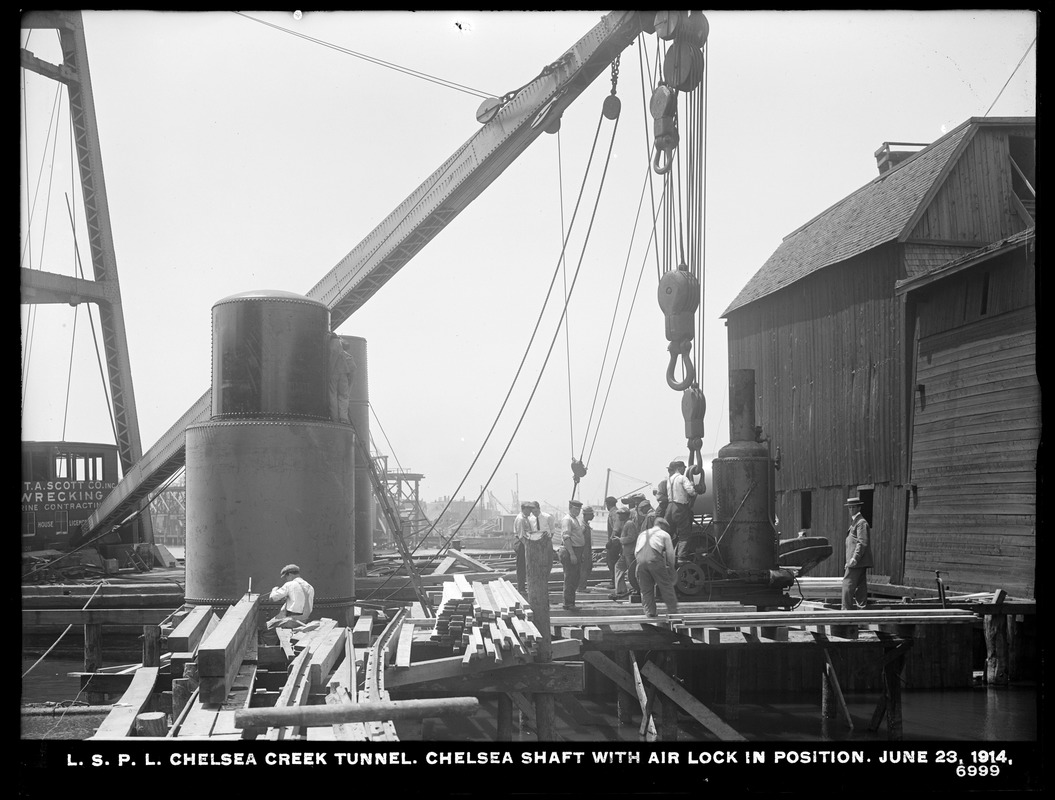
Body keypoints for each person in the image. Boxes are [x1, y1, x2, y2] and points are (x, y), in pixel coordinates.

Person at [635, 517, 679, 618]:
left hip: (640, 561)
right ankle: (673, 611)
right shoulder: (664, 534)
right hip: (654, 560)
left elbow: (635, 552)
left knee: (646, 589)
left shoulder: (642, 534)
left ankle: (650, 612)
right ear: (663, 526)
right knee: (666, 586)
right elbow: (670, 554)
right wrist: (672, 568)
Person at [842, 496, 873, 610]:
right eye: (849, 507)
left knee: (847, 584)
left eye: (853, 507)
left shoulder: (861, 523)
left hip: (857, 561)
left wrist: (854, 558)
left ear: (859, 507)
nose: (851, 509)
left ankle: (846, 612)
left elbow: (862, 542)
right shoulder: (856, 522)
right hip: (858, 561)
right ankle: (861, 611)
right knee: (860, 587)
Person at [267, 564, 315, 629]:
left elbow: (272, 598)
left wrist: (274, 590)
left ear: (290, 574)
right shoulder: (310, 587)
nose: (286, 579)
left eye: (286, 577)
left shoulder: (290, 584)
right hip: (304, 620)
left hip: (291, 619)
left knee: (266, 628)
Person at [558, 500, 585, 610]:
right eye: (575, 509)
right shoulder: (567, 520)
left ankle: (571, 602)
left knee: (575, 578)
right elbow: (566, 538)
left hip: (576, 550)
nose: (577, 511)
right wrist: (572, 554)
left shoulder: (574, 520)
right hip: (570, 550)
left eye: (579, 509)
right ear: (570, 508)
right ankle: (568, 603)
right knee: (570, 577)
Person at [611, 505, 641, 600]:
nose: (618, 516)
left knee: (632, 572)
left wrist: (620, 540)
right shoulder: (625, 524)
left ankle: (637, 589)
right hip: (625, 552)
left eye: (620, 514)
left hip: (630, 552)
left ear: (625, 515)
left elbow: (632, 537)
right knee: (618, 567)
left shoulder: (629, 524)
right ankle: (621, 590)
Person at [665, 459, 697, 549]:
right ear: (679, 468)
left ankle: (668, 555)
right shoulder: (682, 478)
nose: (684, 470)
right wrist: (693, 489)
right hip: (679, 508)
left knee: (669, 533)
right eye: (683, 468)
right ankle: (681, 557)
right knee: (685, 534)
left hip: (669, 508)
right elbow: (690, 491)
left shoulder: (669, 480)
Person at [328, 333, 356, 424]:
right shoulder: (344, 353)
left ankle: (335, 418)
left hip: (334, 373)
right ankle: (343, 418)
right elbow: (353, 368)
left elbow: (331, 359)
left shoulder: (332, 344)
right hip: (344, 373)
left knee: (333, 395)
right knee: (343, 396)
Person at [512, 501, 536, 595]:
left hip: (524, 543)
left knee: (525, 566)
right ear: (524, 509)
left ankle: (523, 586)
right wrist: (528, 547)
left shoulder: (525, 518)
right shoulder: (521, 519)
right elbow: (521, 536)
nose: (530, 511)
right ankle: (521, 588)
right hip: (522, 543)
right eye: (529, 509)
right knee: (521, 566)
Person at [603, 496, 621, 588]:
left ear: (608, 504)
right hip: (614, 540)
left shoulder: (614, 513)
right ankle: (614, 580)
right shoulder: (613, 512)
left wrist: (610, 540)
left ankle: (614, 582)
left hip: (615, 541)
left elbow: (616, 528)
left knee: (612, 561)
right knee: (611, 561)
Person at [577, 505, 595, 591]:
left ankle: (582, 586)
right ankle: (581, 587)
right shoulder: (583, 526)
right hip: (584, 551)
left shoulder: (586, 525)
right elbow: (579, 538)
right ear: (586, 515)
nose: (593, 516)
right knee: (584, 568)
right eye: (591, 514)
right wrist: (581, 553)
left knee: (588, 567)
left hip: (587, 551)